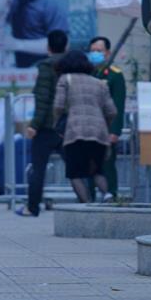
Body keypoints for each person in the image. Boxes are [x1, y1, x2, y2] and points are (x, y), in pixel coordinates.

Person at [52, 49, 117, 204]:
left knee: (75, 173)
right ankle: (108, 195)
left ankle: (87, 205)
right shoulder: (99, 83)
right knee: (97, 171)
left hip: (75, 132)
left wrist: (55, 123)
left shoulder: (65, 79)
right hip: (99, 133)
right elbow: (112, 111)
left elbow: (58, 106)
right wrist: (104, 126)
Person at [18, 29, 69, 217]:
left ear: (48, 47)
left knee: (38, 169)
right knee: (76, 167)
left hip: (47, 128)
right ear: (66, 45)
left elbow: (43, 98)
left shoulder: (46, 67)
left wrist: (34, 125)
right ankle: (87, 201)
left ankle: (32, 207)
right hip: (68, 126)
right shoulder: (73, 64)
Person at [89, 36, 127, 201]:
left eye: (99, 51)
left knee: (107, 162)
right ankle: (88, 197)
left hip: (106, 126)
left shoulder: (115, 75)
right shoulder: (88, 72)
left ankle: (112, 194)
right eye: (93, 51)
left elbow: (118, 104)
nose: (95, 54)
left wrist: (115, 131)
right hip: (88, 126)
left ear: (108, 53)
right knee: (87, 162)